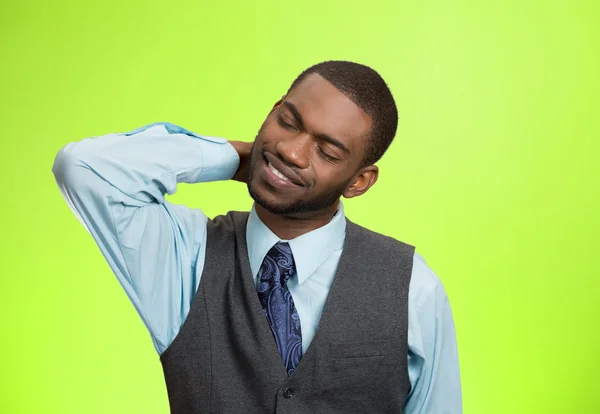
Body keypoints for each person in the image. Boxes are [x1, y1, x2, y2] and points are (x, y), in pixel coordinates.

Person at [52, 60, 462, 413]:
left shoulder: (413, 288)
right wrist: (234, 159)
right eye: (288, 122)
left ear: (359, 181)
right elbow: (83, 168)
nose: (293, 152)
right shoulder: (184, 257)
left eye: (328, 152)